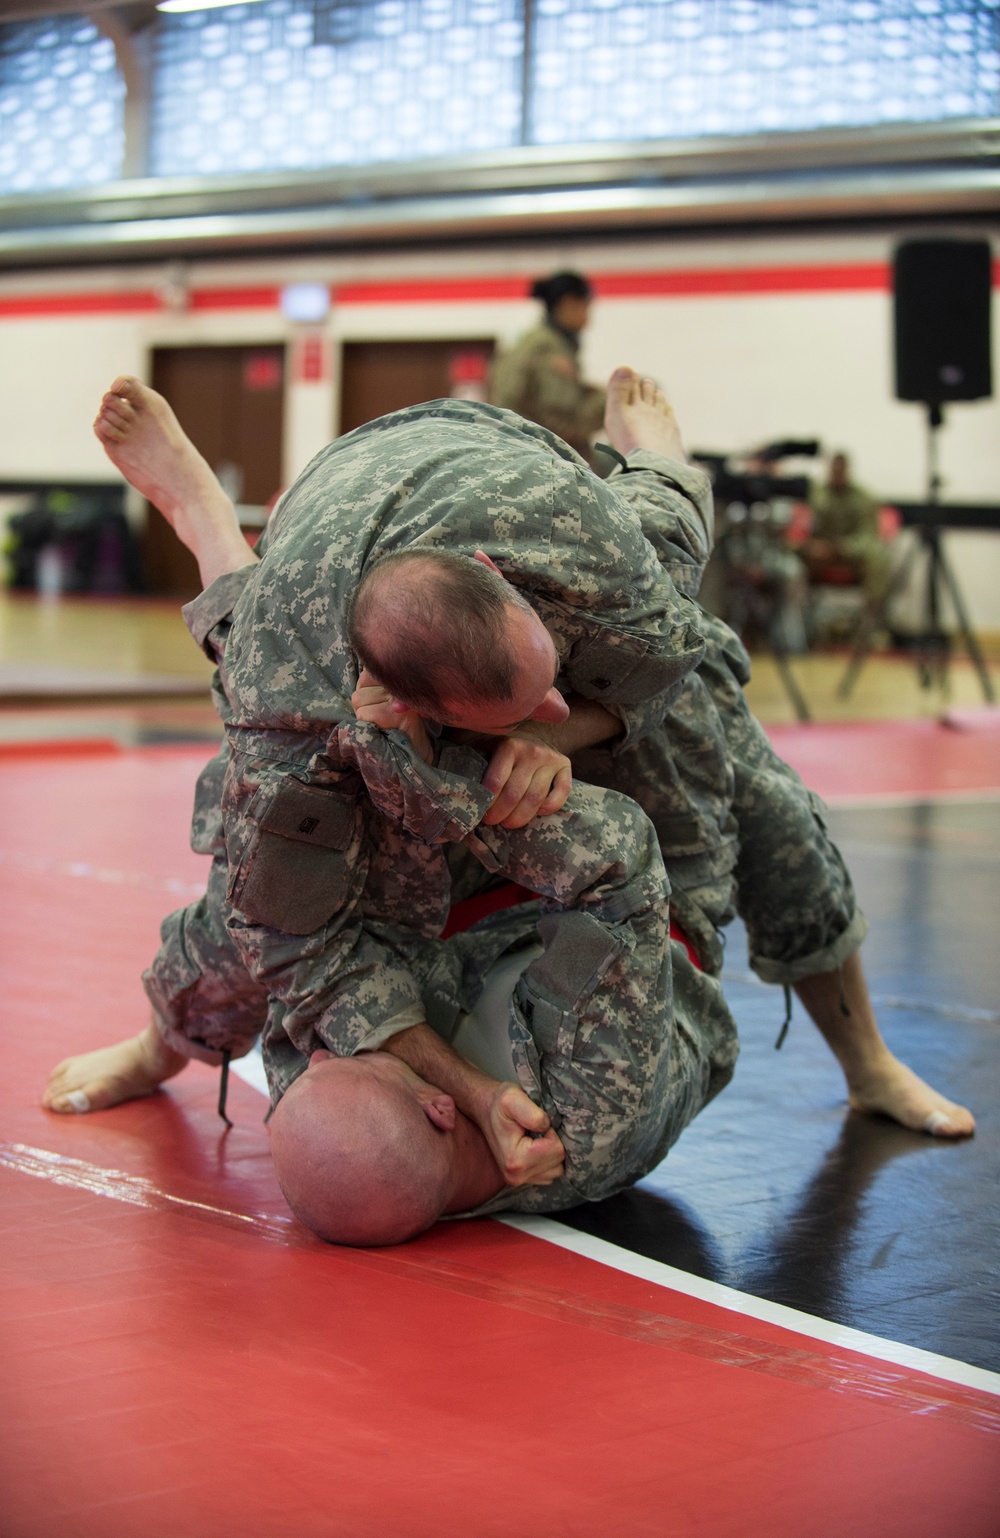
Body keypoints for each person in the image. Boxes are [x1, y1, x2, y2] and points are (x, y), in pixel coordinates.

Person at [43, 370, 973, 1247]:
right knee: (736, 769)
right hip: (596, 880)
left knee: (267, 886)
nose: (313, 1055)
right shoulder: (573, 1112)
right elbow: (611, 860)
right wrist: (474, 784)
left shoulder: (580, 559)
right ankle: (869, 1064)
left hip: (464, 561)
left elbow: (666, 572)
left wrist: (544, 741)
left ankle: (212, 530)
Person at [489, 270, 606, 468]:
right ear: (568, 303)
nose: (588, 318)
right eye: (586, 307)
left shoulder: (539, 343)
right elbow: (561, 424)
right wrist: (612, 403)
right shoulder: (547, 350)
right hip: (545, 467)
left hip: (533, 462)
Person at [805, 452, 893, 603]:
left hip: (850, 552)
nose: (837, 474)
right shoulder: (816, 495)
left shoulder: (862, 498)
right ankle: (795, 617)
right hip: (820, 552)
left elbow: (868, 536)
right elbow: (804, 527)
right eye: (834, 469)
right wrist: (814, 546)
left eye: (841, 470)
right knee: (791, 559)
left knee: (879, 558)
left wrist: (843, 547)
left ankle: (872, 616)